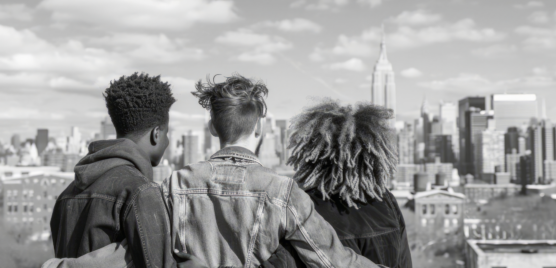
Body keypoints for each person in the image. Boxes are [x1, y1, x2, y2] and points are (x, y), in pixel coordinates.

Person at [156, 74, 379, 268]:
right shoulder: (282, 192)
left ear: (212, 127)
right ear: (259, 127)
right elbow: (333, 261)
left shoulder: (174, 184)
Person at [48, 72, 205, 268]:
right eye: (167, 133)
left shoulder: (67, 193)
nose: (167, 141)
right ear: (156, 134)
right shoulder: (141, 191)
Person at [264, 99, 412, 268]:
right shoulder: (387, 202)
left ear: (314, 155)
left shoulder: (303, 206)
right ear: (374, 156)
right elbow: (404, 263)